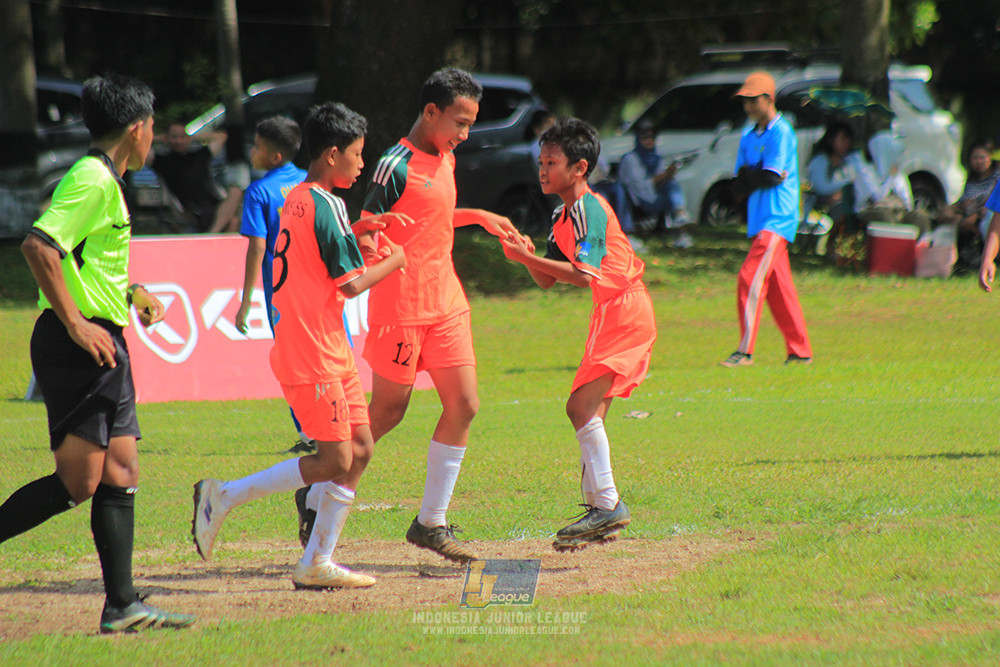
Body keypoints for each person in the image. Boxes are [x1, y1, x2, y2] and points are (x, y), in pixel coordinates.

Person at [296, 67, 528, 563]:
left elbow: (432, 217)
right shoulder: (393, 164)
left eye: (470, 123)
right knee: (388, 412)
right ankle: (315, 488)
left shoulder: (446, 156)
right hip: (400, 306)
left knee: (464, 405)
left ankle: (431, 521)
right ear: (430, 113)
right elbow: (364, 226)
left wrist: (482, 217)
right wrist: (378, 244)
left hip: (446, 303)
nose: (465, 134)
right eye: (459, 122)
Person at [0, 73, 195, 633]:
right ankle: (122, 604)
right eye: (153, 125)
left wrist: (132, 293)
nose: (154, 135)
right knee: (78, 482)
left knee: (122, 468)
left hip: (105, 342)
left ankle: (122, 605)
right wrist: (78, 323)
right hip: (79, 347)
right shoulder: (91, 180)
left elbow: (86, 262)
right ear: (137, 128)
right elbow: (39, 246)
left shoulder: (108, 180)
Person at [192, 102, 409, 590]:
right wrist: (395, 261)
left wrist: (357, 234)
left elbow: (317, 257)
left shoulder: (298, 196)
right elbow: (352, 284)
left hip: (327, 343)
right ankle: (223, 496)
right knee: (335, 460)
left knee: (361, 448)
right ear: (332, 154)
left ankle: (316, 561)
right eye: (356, 154)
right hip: (312, 349)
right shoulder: (327, 204)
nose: (361, 163)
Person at [499, 117, 655, 551]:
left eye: (552, 162)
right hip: (611, 311)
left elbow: (584, 273)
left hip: (625, 308)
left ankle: (607, 505)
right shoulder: (560, 213)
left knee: (580, 407)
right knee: (588, 412)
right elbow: (551, 281)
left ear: (579, 168)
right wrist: (527, 257)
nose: (543, 170)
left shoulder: (588, 207)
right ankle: (599, 512)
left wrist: (522, 257)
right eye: (541, 161)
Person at [720, 71, 812, 368]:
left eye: (752, 100)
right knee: (779, 289)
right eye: (744, 101)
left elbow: (771, 177)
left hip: (778, 217)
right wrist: (752, 177)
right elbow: (739, 181)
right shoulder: (749, 135)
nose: (747, 106)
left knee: (749, 278)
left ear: (769, 99)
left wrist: (752, 176)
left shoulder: (782, 132)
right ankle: (800, 351)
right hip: (760, 219)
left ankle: (745, 351)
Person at [232, 116, 313, 451]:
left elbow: (258, 246)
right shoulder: (310, 181)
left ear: (274, 157)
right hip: (314, 286)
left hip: (280, 292)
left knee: (289, 362)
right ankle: (331, 427)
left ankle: (309, 433)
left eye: (257, 147)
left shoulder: (259, 192)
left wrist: (246, 300)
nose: (252, 152)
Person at [150, 120, 243, 233]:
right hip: (190, 210)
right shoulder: (161, 161)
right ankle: (213, 235)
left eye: (182, 137)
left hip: (213, 203)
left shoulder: (200, 155)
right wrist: (162, 139)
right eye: (174, 137)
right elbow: (139, 144)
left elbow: (222, 136)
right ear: (167, 138)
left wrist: (191, 137)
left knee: (236, 191)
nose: (178, 141)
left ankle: (212, 234)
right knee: (232, 221)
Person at [617, 119, 690, 240]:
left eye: (652, 137)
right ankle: (678, 217)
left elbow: (661, 179)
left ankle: (679, 219)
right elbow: (639, 188)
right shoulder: (630, 159)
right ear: (638, 139)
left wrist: (669, 174)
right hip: (638, 201)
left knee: (672, 185)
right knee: (669, 188)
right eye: (645, 137)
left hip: (654, 196)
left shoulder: (656, 158)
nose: (649, 141)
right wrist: (663, 176)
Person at [804, 122, 866, 257]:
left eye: (848, 139)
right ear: (831, 140)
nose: (846, 143)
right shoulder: (820, 160)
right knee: (842, 210)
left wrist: (843, 192)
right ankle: (830, 245)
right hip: (820, 202)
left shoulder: (848, 161)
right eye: (842, 139)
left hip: (846, 202)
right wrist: (844, 186)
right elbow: (821, 187)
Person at [939, 141, 999, 273]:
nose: (978, 161)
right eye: (975, 158)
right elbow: (962, 202)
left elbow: (990, 203)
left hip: (984, 215)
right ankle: (959, 262)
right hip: (968, 215)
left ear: (990, 158)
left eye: (982, 157)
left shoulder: (996, 178)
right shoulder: (970, 180)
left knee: (971, 222)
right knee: (949, 219)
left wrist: (975, 216)